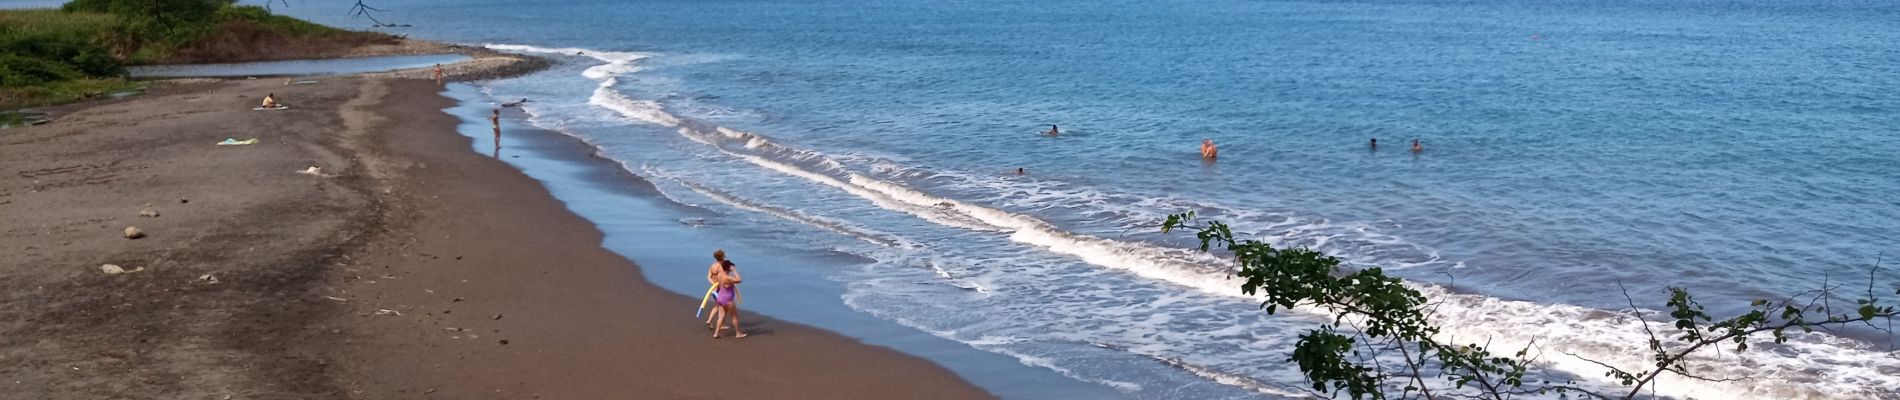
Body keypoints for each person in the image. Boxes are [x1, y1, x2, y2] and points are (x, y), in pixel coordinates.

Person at [706, 250, 746, 339]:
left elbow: (711, 277)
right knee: (734, 317)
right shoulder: (727, 278)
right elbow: (739, 280)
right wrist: (734, 271)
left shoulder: (720, 276)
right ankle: (738, 333)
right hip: (728, 299)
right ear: (729, 268)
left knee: (721, 316)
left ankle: (716, 333)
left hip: (720, 297)